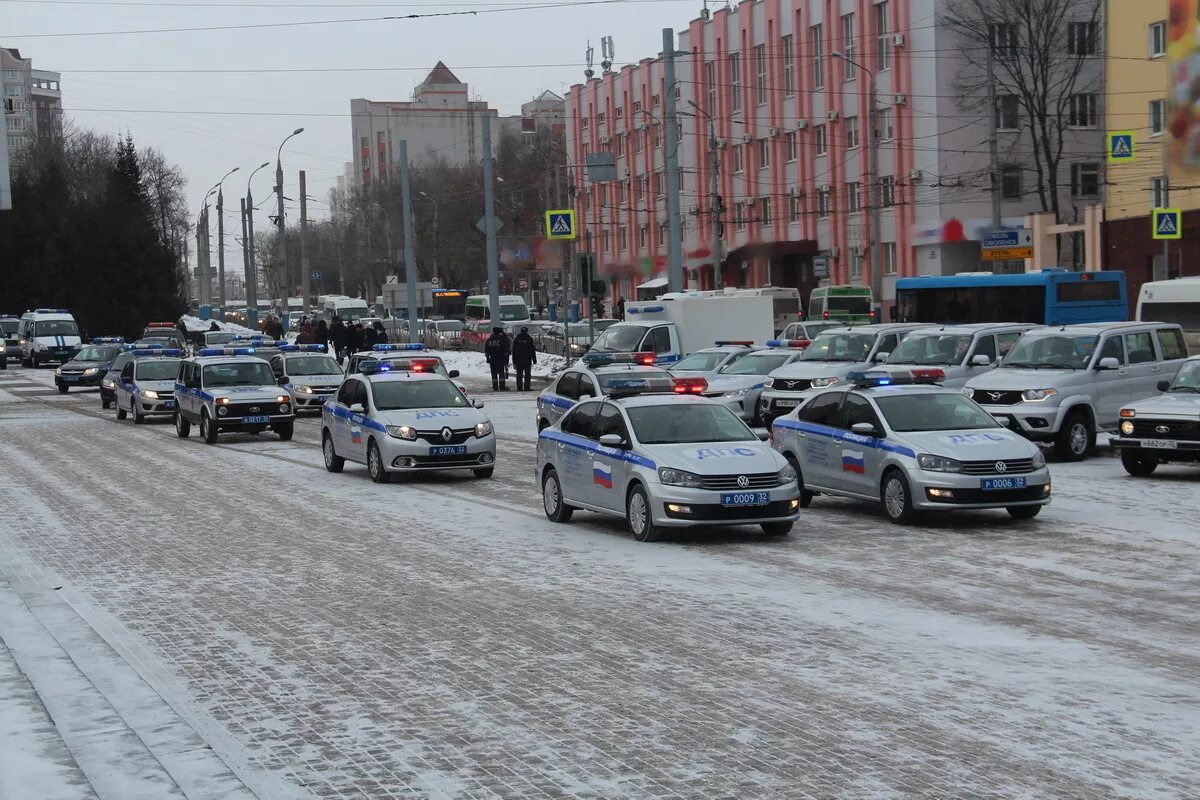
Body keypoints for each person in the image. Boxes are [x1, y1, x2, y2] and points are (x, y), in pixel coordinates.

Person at [484, 326, 511, 391]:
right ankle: (502, 386)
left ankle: (495, 387)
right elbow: (506, 348)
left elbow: (486, 351)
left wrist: (487, 358)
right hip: (500, 359)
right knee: (501, 373)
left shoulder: (489, 340)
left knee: (494, 374)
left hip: (492, 359)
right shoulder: (502, 339)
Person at [511, 326, 537, 391]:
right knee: (527, 374)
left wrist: (514, 360)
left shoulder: (517, 338)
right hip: (527, 359)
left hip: (518, 359)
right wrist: (534, 359)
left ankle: (519, 387)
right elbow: (532, 350)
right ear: (527, 331)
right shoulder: (529, 339)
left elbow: (514, 350)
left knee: (519, 373)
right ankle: (527, 387)